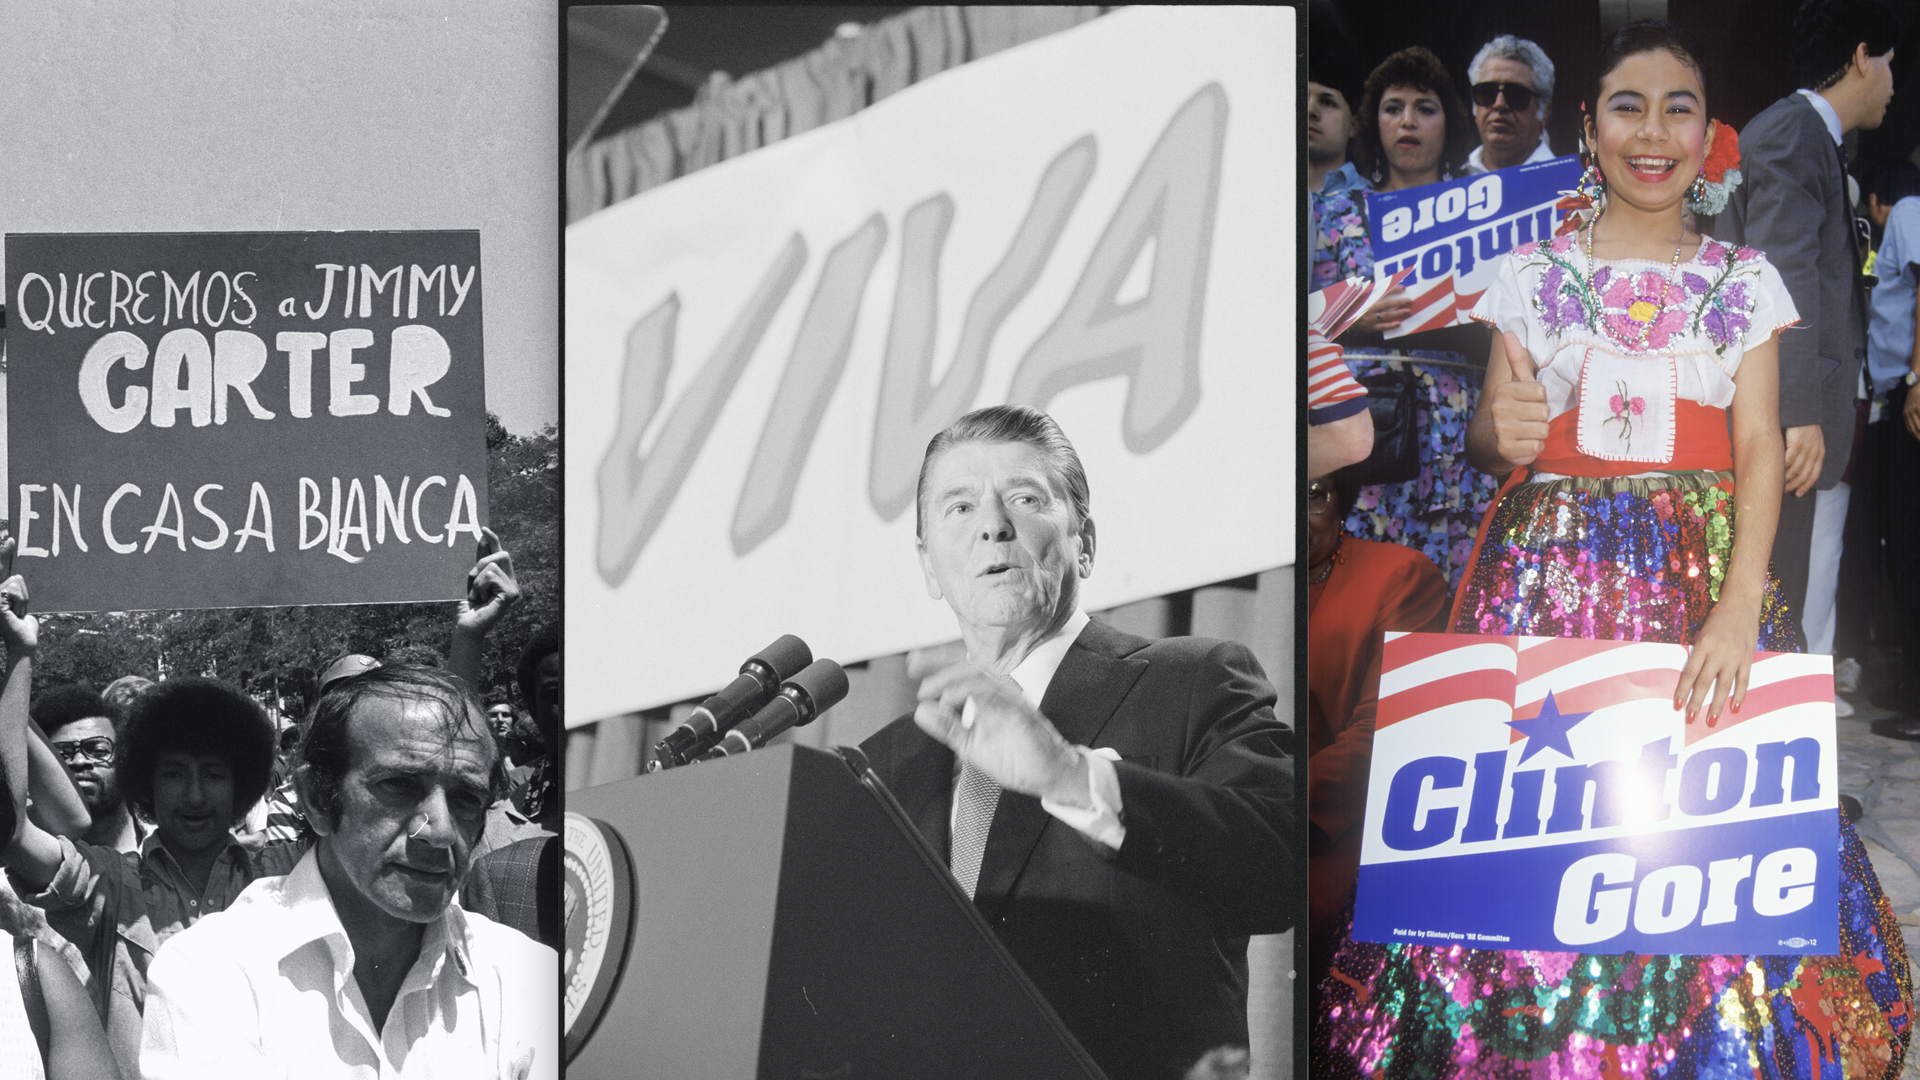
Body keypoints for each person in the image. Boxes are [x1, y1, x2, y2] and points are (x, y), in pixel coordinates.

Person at [1315, 23, 1913, 1076]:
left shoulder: (1740, 277)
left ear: (1708, 130)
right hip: (1546, 571)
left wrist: (1739, 609)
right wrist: (1496, 430)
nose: (1653, 129)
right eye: (1626, 105)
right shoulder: (1530, 273)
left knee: (1708, 814)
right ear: (1587, 129)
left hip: (1705, 577)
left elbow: (1760, 447)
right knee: (1535, 822)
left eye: (1678, 104)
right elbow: (1498, 429)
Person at [858, 405, 1294, 1080]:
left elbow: (1283, 866)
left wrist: (1068, 776)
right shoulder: (884, 764)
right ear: (929, 568)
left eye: (1026, 498)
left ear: (1084, 541)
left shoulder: (1192, 681)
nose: (993, 526)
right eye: (959, 508)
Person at [139, 665, 556, 1077]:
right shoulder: (210, 973)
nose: (441, 831)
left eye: (466, 799)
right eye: (399, 786)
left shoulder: (522, 975)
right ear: (319, 801)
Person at [1713, 0, 1898, 660]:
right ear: (1860, 55)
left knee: (1808, 581)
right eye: (1889, 64)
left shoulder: (1810, 135)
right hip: (1793, 419)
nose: (1894, 84)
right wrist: (1798, 412)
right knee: (1789, 585)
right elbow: (1779, 275)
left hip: (1809, 410)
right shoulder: (1795, 131)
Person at [1304, 469, 1447, 990]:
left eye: (1315, 495)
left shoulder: (1399, 575)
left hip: (1331, 835)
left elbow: (1383, 731)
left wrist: (1269, 816)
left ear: (1345, 498)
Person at [1862, 159, 1920, 738]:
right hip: (1897, 398)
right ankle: (1911, 684)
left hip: (1912, 398)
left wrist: (1917, 378)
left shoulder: (1907, 210)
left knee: (1910, 550)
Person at [33, 687, 140, 854]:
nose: (79, 761)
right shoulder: (20, 856)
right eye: (62, 754)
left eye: (98, 751)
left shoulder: (170, 837)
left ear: (124, 757)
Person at [1464, 35, 1557, 174]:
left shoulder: (1570, 184)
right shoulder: (1451, 179)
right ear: (1474, 107)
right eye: (1487, 92)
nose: (1499, 104)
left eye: (1515, 95)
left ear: (1544, 111)